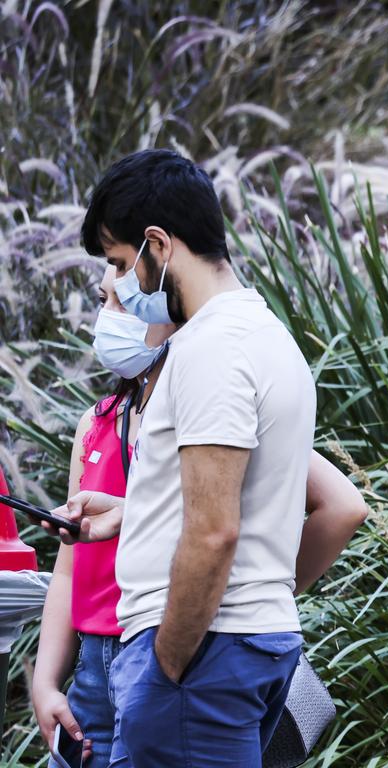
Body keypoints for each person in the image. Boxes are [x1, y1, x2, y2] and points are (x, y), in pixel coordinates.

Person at [42, 148, 349, 766]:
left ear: (158, 244)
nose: (121, 285)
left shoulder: (213, 347)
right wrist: (133, 511)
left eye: (121, 264)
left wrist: (167, 663)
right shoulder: (262, 335)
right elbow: (243, 495)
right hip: (229, 646)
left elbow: (214, 531)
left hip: (197, 656)